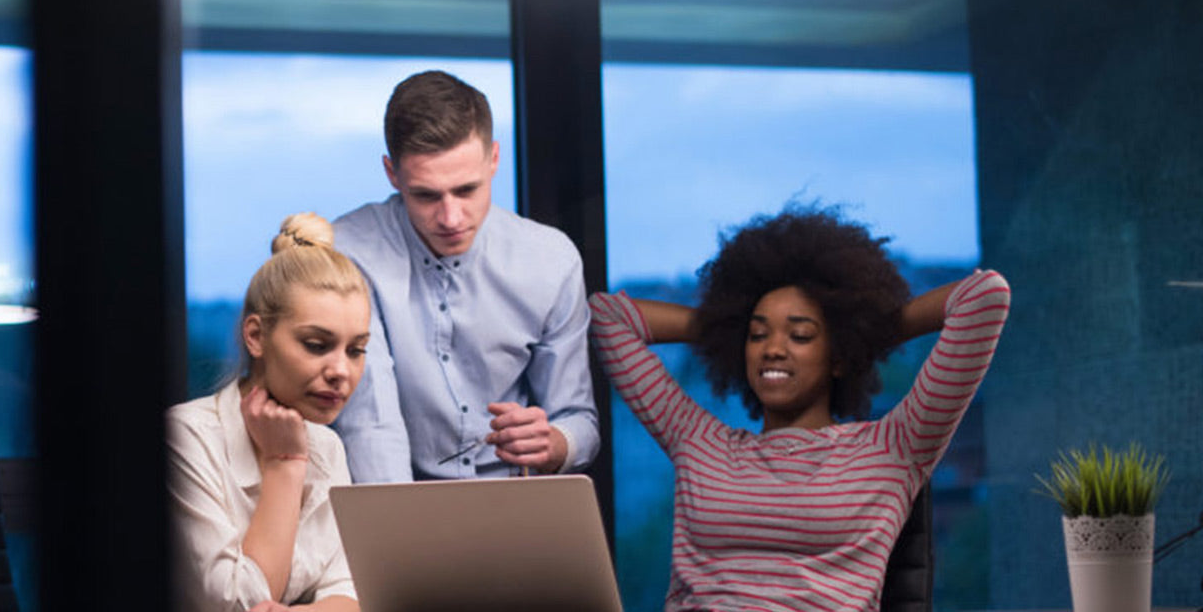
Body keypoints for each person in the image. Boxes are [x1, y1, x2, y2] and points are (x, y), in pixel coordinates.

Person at [588, 205, 1011, 611]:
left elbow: (984, 296)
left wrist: (860, 334)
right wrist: (726, 326)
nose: (772, 349)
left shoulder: (894, 449)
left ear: (838, 355)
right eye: (758, 336)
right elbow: (607, 318)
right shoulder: (702, 445)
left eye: (801, 335)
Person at [330, 69, 599, 482]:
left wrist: (555, 442)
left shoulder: (552, 261)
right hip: (391, 498)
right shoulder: (347, 253)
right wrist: (395, 539)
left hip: (516, 502)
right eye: (426, 195)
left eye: (467, 190)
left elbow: (578, 419)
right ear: (392, 173)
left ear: (494, 159)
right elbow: (371, 423)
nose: (451, 218)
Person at [168, 213, 368, 612]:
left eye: (356, 349)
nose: (341, 371)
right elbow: (235, 603)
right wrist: (285, 464)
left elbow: (353, 591)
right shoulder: (184, 436)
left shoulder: (327, 446)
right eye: (316, 344)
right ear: (256, 335)